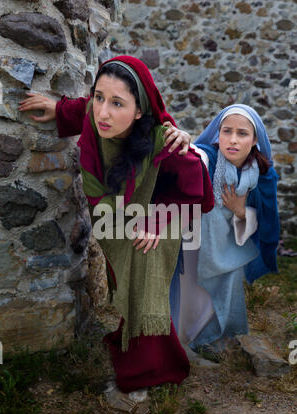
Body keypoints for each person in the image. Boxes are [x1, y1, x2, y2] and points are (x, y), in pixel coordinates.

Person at [19, 55, 214, 394]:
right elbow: (84, 109)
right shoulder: (96, 117)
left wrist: (157, 220)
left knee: (143, 268)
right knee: (127, 278)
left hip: (160, 214)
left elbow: (194, 191)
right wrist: (57, 108)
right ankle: (141, 343)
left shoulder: (165, 139)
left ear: (139, 111)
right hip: (112, 213)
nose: (103, 112)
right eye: (99, 97)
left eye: (117, 103)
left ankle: (146, 373)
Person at [169, 104, 280, 355]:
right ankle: (185, 339)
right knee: (190, 292)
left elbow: (266, 220)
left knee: (227, 287)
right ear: (217, 134)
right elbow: (196, 155)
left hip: (230, 243)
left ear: (254, 140)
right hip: (196, 241)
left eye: (242, 133)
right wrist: (186, 141)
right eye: (226, 131)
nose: (232, 139)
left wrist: (240, 210)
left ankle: (217, 336)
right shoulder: (209, 156)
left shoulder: (262, 175)